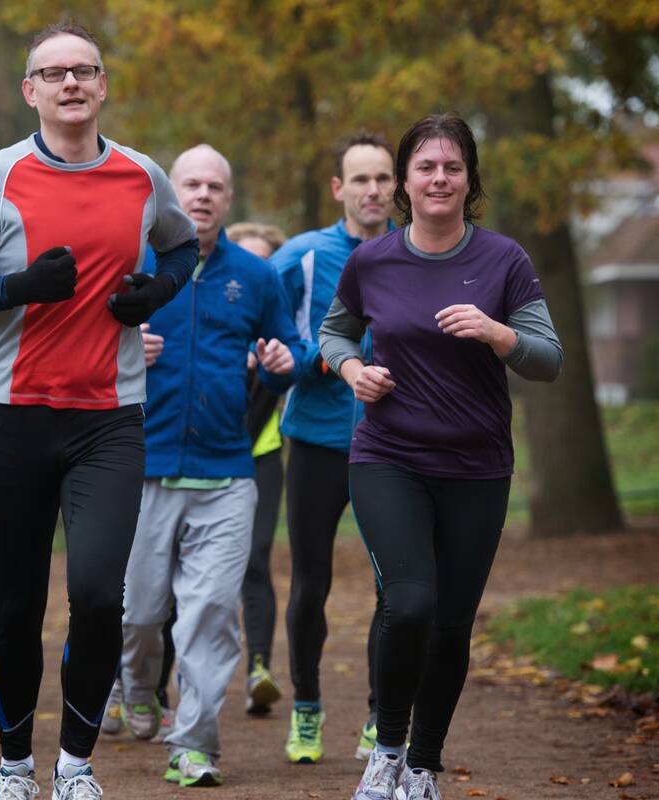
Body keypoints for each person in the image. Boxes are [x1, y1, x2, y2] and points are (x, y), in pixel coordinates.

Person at [0, 22, 198, 800]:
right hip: (12, 415)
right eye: (55, 74)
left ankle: (74, 766)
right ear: (31, 91)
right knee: (15, 602)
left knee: (95, 594)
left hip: (109, 418)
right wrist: (16, 290)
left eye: (85, 70)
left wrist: (157, 291)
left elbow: (179, 250)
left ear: (103, 84)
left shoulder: (142, 176)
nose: (71, 84)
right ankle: (14, 766)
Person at [319, 113, 563, 800]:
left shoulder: (504, 261)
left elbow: (550, 360)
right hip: (388, 455)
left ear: (469, 180)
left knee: (452, 623)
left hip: (477, 466)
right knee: (411, 602)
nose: (439, 178)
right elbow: (334, 335)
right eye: (425, 167)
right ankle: (386, 752)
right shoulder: (372, 261)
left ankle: (423, 767)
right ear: (405, 181)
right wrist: (349, 372)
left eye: (452, 167)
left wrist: (497, 333)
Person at [119, 145, 301, 787]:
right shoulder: (132, 263)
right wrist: (119, 349)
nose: (202, 195)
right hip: (140, 466)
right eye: (191, 184)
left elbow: (293, 348)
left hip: (227, 474)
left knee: (210, 613)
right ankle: (138, 686)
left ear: (228, 197)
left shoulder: (254, 277)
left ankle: (194, 743)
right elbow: (77, 343)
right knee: (140, 613)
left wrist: (285, 363)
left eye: (215, 186)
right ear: (171, 191)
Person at [271, 132, 396, 763]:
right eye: (361, 179)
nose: (372, 191)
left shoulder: (416, 253)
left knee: (392, 587)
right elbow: (267, 343)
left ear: (395, 186)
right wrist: (307, 361)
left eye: (382, 179)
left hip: (394, 447)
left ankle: (381, 718)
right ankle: (307, 710)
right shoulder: (302, 257)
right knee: (309, 587)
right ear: (338, 189)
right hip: (317, 443)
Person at [227, 221, 290, 715]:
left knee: (255, 559)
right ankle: (156, 685)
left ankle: (260, 670)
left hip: (261, 455)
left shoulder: (279, 322)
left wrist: (267, 365)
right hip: (204, 455)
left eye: (264, 260)